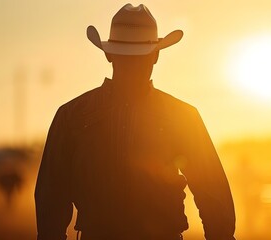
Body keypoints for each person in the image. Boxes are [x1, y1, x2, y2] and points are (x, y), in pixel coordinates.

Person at [35, 4, 236, 240]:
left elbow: (52, 195)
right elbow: (211, 190)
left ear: (108, 53)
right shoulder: (183, 116)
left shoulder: (71, 115)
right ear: (156, 55)